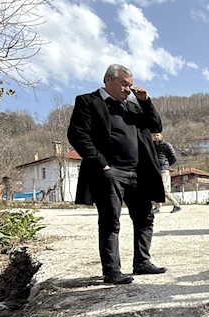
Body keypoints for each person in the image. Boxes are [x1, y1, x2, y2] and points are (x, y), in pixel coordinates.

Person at [67, 64, 168, 285]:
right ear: (108, 81)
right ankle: (112, 271)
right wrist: (101, 163)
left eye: (130, 85)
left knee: (145, 218)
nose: (128, 89)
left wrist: (145, 101)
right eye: (124, 84)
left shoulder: (132, 107)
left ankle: (142, 262)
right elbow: (78, 134)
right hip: (110, 172)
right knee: (110, 221)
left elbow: (155, 126)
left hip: (138, 172)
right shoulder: (88, 101)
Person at [152, 132, 182, 213]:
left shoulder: (166, 145)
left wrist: (166, 165)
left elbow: (174, 157)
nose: (156, 137)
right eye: (154, 135)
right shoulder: (152, 145)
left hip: (163, 169)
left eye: (157, 135)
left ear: (161, 136)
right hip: (155, 169)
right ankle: (157, 207)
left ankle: (176, 205)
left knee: (164, 189)